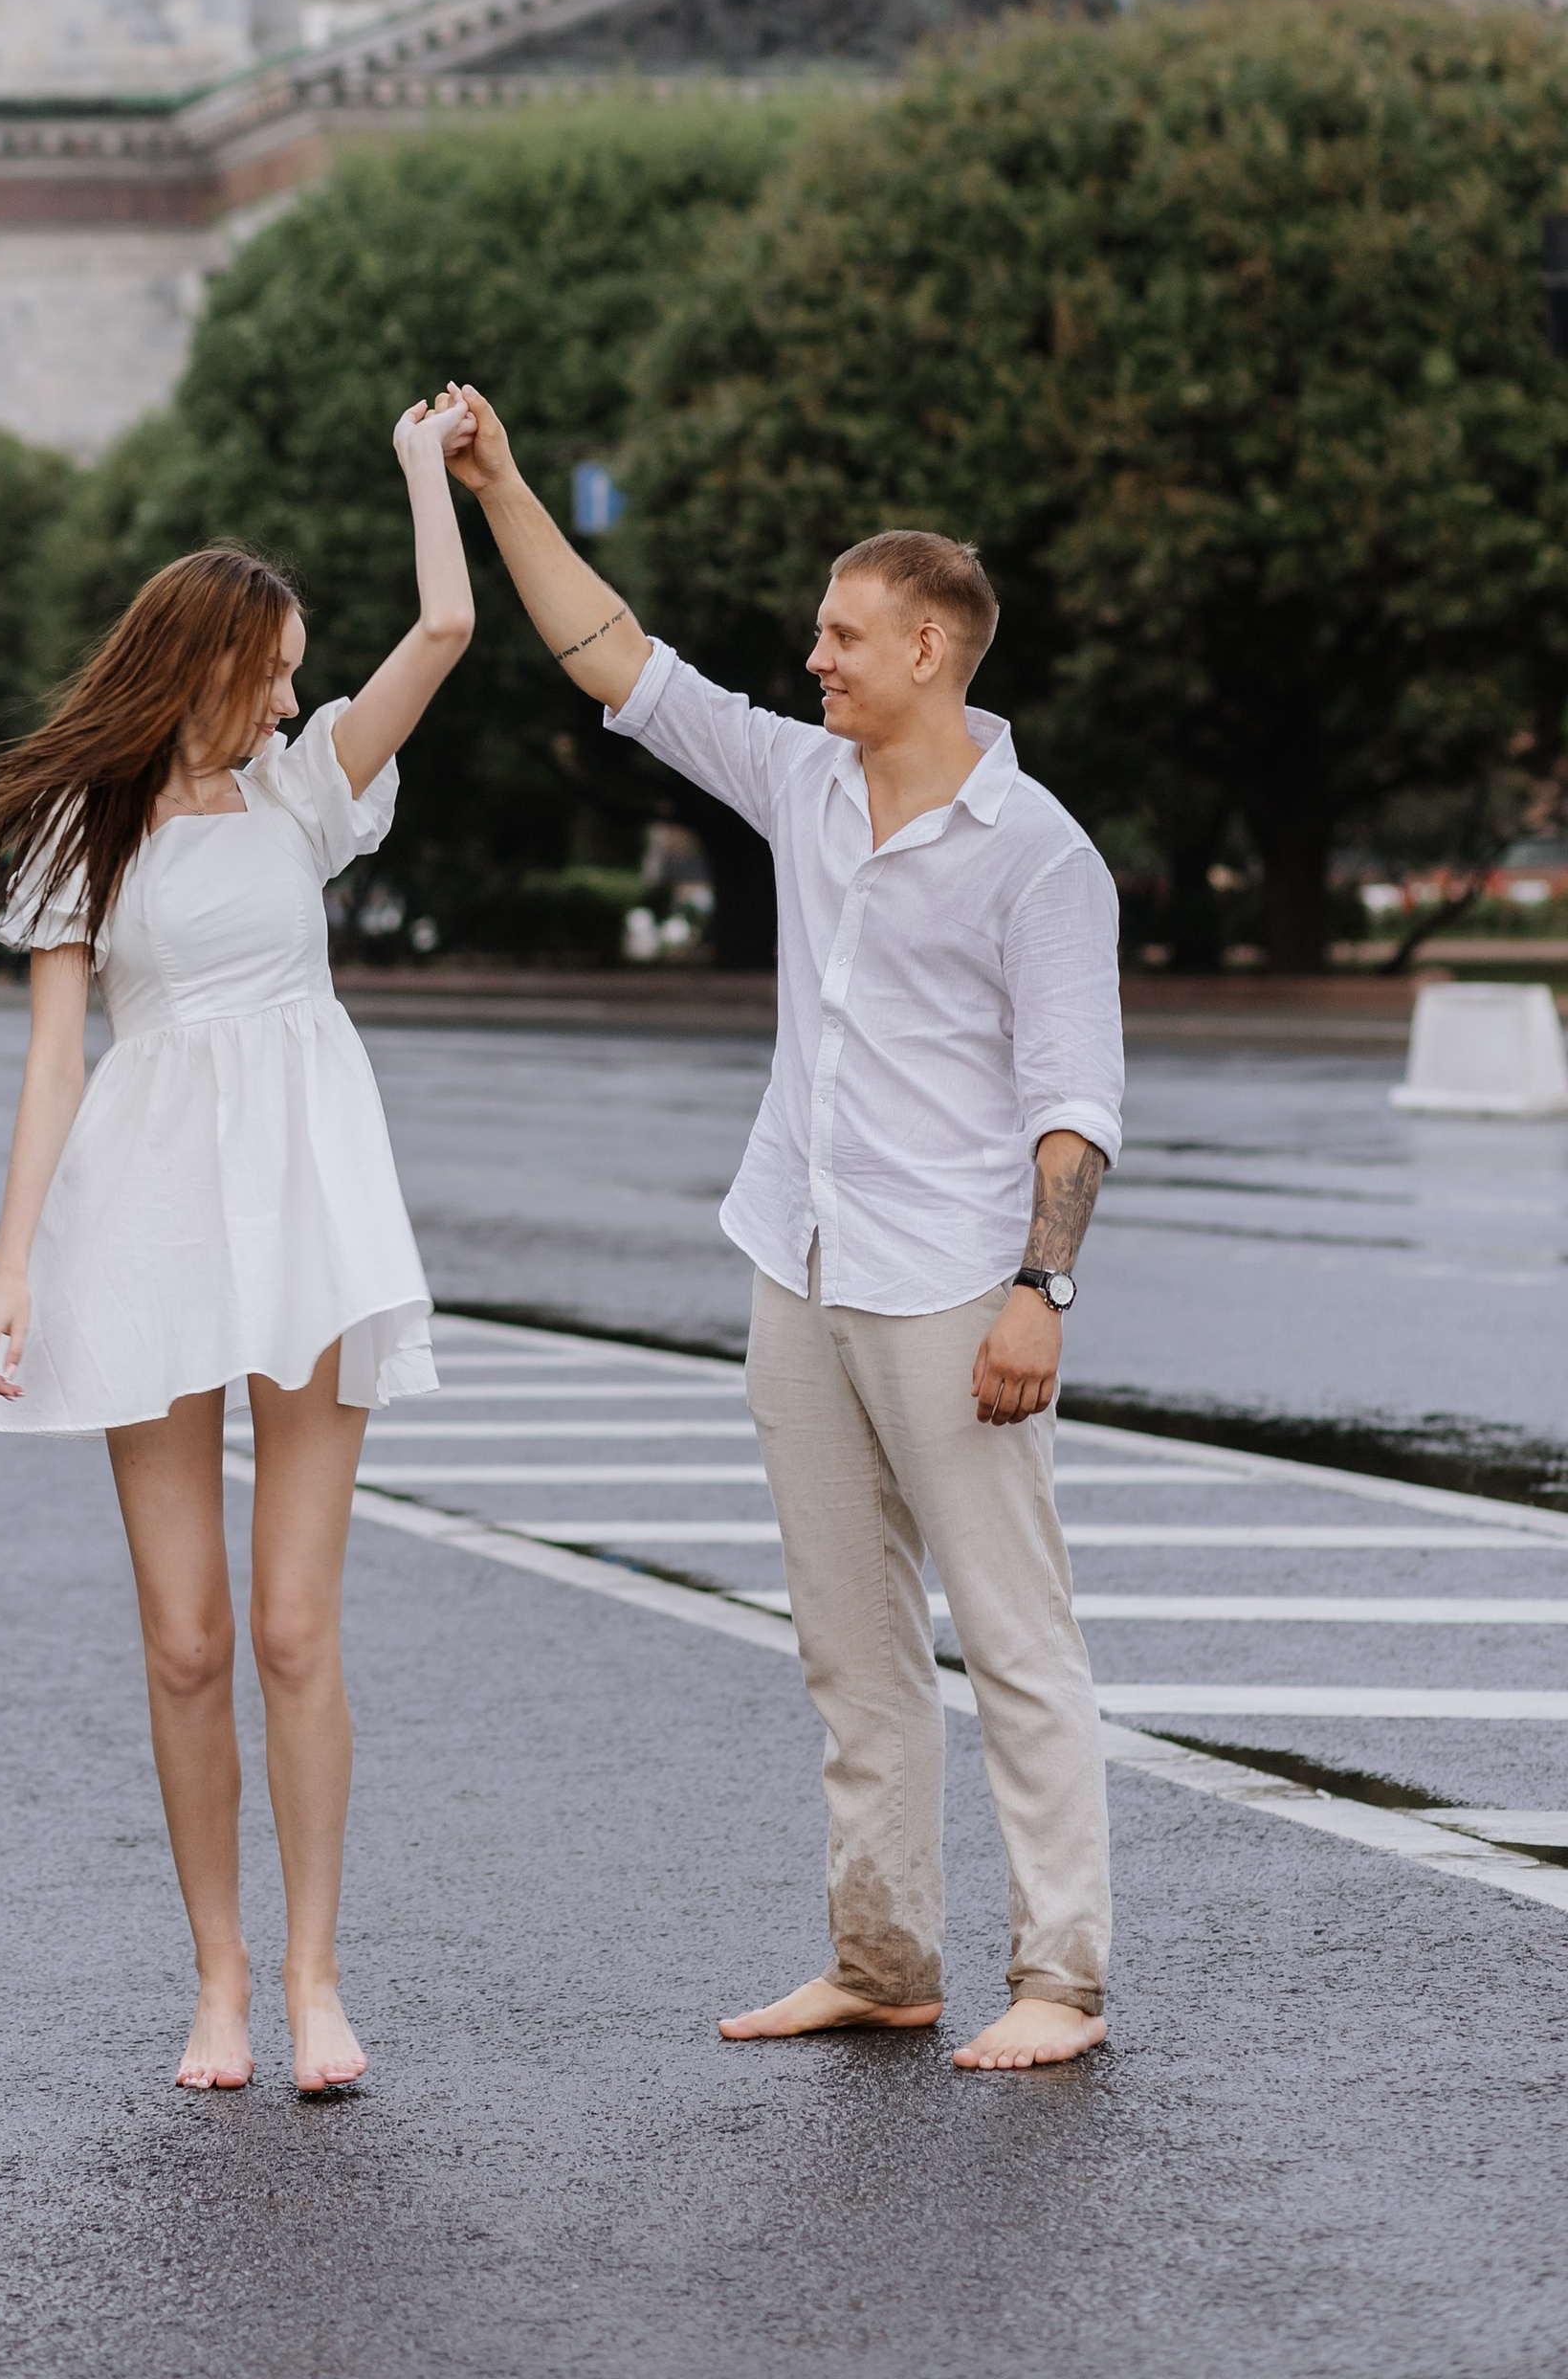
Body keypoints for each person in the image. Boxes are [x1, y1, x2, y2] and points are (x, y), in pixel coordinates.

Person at [438, 386, 1121, 2074]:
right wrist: (502, 488)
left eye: (843, 634)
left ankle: (1065, 1983)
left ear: (934, 649)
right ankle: (883, 1960)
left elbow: (1076, 1101)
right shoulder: (807, 786)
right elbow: (620, 661)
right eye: (818, 635)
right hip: (799, 1263)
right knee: (850, 1646)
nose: (814, 659)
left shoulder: (1039, 856)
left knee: (1015, 1644)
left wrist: (1041, 1290)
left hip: (953, 1286)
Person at [0, 402, 476, 2097]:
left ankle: (317, 1978)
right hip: (147, 1212)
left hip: (308, 1200)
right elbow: (51, 1063)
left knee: (296, 1627)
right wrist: (7, 1271)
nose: (297, 699)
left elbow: (449, 628)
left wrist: (418, 468)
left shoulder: (310, 798)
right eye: (277, 672)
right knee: (184, 1636)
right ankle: (220, 1981)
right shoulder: (79, 827)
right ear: (209, 663)